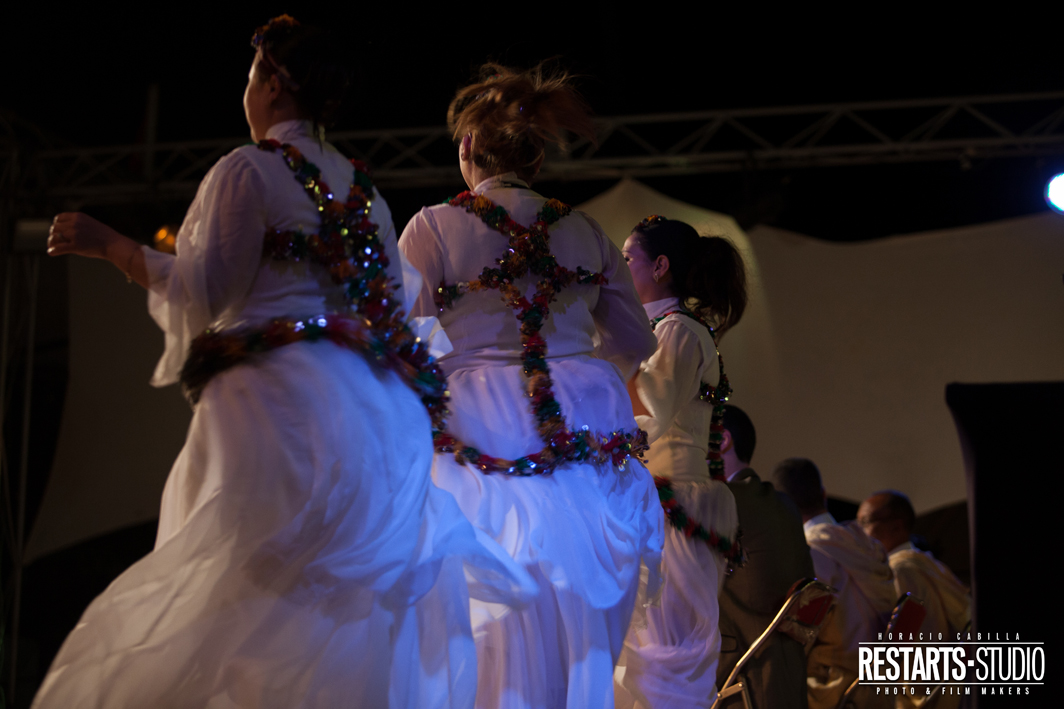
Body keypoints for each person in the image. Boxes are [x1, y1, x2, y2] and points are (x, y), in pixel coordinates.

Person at [36, 17, 532, 708]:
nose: (246, 90)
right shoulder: (362, 191)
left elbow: (205, 290)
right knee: (332, 605)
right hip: (365, 410)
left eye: (250, 76)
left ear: (271, 83)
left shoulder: (250, 169)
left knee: (247, 588)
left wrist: (113, 246)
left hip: (273, 401)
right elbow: (390, 307)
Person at [398, 63, 663, 709]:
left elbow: (406, 338)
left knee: (481, 590)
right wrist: (578, 365)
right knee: (571, 585)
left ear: (467, 146)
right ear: (537, 157)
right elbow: (636, 339)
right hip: (581, 414)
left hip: (474, 414)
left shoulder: (433, 226)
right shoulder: (584, 230)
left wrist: (459, 367)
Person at [611, 216, 746, 709]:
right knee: (642, 644)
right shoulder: (657, 330)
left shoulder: (678, 331)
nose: (619, 268)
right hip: (658, 501)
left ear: (660, 266)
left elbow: (647, 414)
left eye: (627, 258)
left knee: (665, 648)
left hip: (676, 506)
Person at [773, 458, 896, 709]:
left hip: (837, 689)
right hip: (883, 682)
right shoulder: (869, 545)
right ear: (823, 494)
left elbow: (796, 639)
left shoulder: (809, 554)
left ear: (782, 507)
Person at [716, 405, 815, 709]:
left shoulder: (724, 501)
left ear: (722, 440)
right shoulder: (783, 504)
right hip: (788, 674)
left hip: (740, 683)